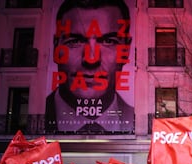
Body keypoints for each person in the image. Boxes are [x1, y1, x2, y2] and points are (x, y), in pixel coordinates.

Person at [45, 0, 134, 134]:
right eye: (75, 41)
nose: (91, 59)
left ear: (126, 49)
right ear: (56, 46)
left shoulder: (134, 118)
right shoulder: (41, 115)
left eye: (108, 41)